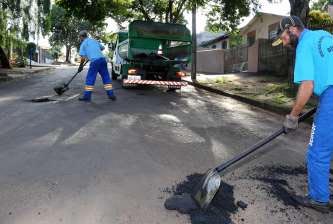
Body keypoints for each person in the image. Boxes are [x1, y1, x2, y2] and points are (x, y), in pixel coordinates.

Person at [273, 16, 333, 213]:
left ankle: (318, 200)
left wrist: (293, 117)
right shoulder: (324, 35)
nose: (284, 42)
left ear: (292, 29)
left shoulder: (304, 46)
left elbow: (307, 85)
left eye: (283, 37)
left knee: (318, 152)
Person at [78, 30, 116, 102]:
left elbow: (82, 57)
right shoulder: (94, 41)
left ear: (81, 37)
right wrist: (94, 51)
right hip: (102, 60)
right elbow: (102, 48)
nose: (80, 39)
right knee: (106, 78)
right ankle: (111, 95)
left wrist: (80, 66)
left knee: (90, 79)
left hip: (95, 62)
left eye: (80, 37)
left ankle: (87, 97)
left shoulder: (83, 44)